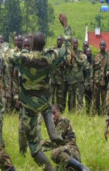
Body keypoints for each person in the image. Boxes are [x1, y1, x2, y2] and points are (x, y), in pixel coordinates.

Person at [8, 14, 71, 170]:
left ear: (32, 43)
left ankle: (49, 169)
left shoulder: (23, 58)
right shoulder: (50, 58)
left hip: (28, 107)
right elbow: (66, 48)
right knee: (47, 109)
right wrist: (65, 26)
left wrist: (5, 45)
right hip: (44, 104)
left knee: (35, 148)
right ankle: (53, 133)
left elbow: (6, 54)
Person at [42, 105, 90, 171]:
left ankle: (82, 167)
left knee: (55, 153)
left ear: (59, 112)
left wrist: (41, 143)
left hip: (72, 152)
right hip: (66, 153)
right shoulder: (54, 126)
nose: (53, 117)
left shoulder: (63, 121)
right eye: (50, 115)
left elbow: (56, 139)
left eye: (54, 113)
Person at [66, 38, 87, 112]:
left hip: (79, 80)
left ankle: (80, 114)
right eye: (74, 43)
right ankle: (71, 113)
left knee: (80, 98)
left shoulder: (80, 53)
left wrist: (75, 57)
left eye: (76, 43)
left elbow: (82, 63)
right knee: (71, 98)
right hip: (71, 80)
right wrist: (71, 57)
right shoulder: (68, 53)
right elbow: (67, 66)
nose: (75, 44)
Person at [91, 40, 109, 116]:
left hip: (104, 82)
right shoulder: (96, 56)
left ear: (105, 46)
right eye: (101, 45)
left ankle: (104, 115)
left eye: (104, 45)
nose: (102, 46)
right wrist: (92, 80)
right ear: (99, 45)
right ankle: (92, 114)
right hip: (96, 81)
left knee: (104, 100)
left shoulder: (108, 57)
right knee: (95, 99)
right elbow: (92, 69)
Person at [51, 35, 67, 112]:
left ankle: (60, 111)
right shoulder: (53, 50)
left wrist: (63, 63)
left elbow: (68, 63)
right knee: (51, 96)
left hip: (61, 77)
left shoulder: (64, 51)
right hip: (53, 77)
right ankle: (51, 111)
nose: (59, 41)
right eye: (58, 39)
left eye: (60, 40)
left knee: (60, 96)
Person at [84, 48, 93, 114]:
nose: (88, 52)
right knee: (87, 99)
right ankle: (87, 112)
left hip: (93, 84)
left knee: (93, 99)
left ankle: (92, 112)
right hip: (86, 84)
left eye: (89, 51)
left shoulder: (94, 61)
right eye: (87, 51)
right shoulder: (84, 62)